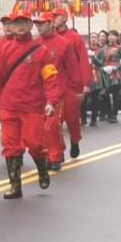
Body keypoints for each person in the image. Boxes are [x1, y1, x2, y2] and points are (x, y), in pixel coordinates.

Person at [0, 10, 61, 200]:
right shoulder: (3, 50)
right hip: (9, 106)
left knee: (35, 144)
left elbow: (50, 78)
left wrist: (51, 101)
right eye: (16, 23)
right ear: (10, 27)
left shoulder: (42, 51)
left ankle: (42, 170)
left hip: (32, 106)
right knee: (10, 146)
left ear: (31, 25)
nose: (20, 26)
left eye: (24, 22)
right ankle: (15, 186)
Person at [35, 12, 80, 171]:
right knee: (48, 125)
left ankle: (74, 141)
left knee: (66, 121)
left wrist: (78, 88)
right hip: (43, 91)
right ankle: (55, 155)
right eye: (37, 24)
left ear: (51, 23)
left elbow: (73, 67)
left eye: (42, 23)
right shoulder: (36, 44)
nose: (39, 27)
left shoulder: (64, 43)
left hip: (62, 89)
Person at [53, 8, 86, 158]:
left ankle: (75, 140)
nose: (54, 19)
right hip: (52, 86)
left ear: (65, 18)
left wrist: (84, 84)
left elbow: (83, 62)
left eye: (57, 16)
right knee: (53, 121)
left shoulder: (74, 38)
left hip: (71, 85)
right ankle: (56, 151)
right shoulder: (46, 39)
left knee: (72, 119)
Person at [97, 30, 121, 123]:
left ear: (117, 37)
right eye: (109, 35)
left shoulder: (119, 48)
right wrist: (102, 67)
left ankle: (114, 114)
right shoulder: (103, 49)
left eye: (113, 35)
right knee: (103, 94)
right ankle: (108, 113)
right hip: (106, 73)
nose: (111, 37)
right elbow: (99, 62)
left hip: (116, 73)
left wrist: (115, 67)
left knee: (115, 95)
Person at [85, 33, 104, 127]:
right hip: (86, 75)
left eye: (95, 37)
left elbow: (101, 64)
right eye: (91, 37)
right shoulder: (85, 50)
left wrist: (94, 58)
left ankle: (94, 119)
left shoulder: (100, 51)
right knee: (84, 99)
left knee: (95, 99)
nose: (93, 39)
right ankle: (83, 118)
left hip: (96, 75)